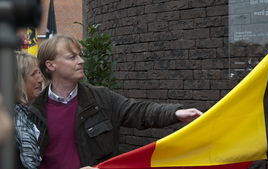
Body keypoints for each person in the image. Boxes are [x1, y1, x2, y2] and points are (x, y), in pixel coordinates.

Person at [29, 34, 202, 169]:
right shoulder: (32, 110)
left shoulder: (101, 98)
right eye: (72, 57)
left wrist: (175, 113)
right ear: (51, 65)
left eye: (80, 56)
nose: (81, 61)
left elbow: (138, 111)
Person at [13, 51, 43, 169]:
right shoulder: (8, 119)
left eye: (39, 73)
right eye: (33, 74)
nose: (40, 79)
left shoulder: (23, 112)